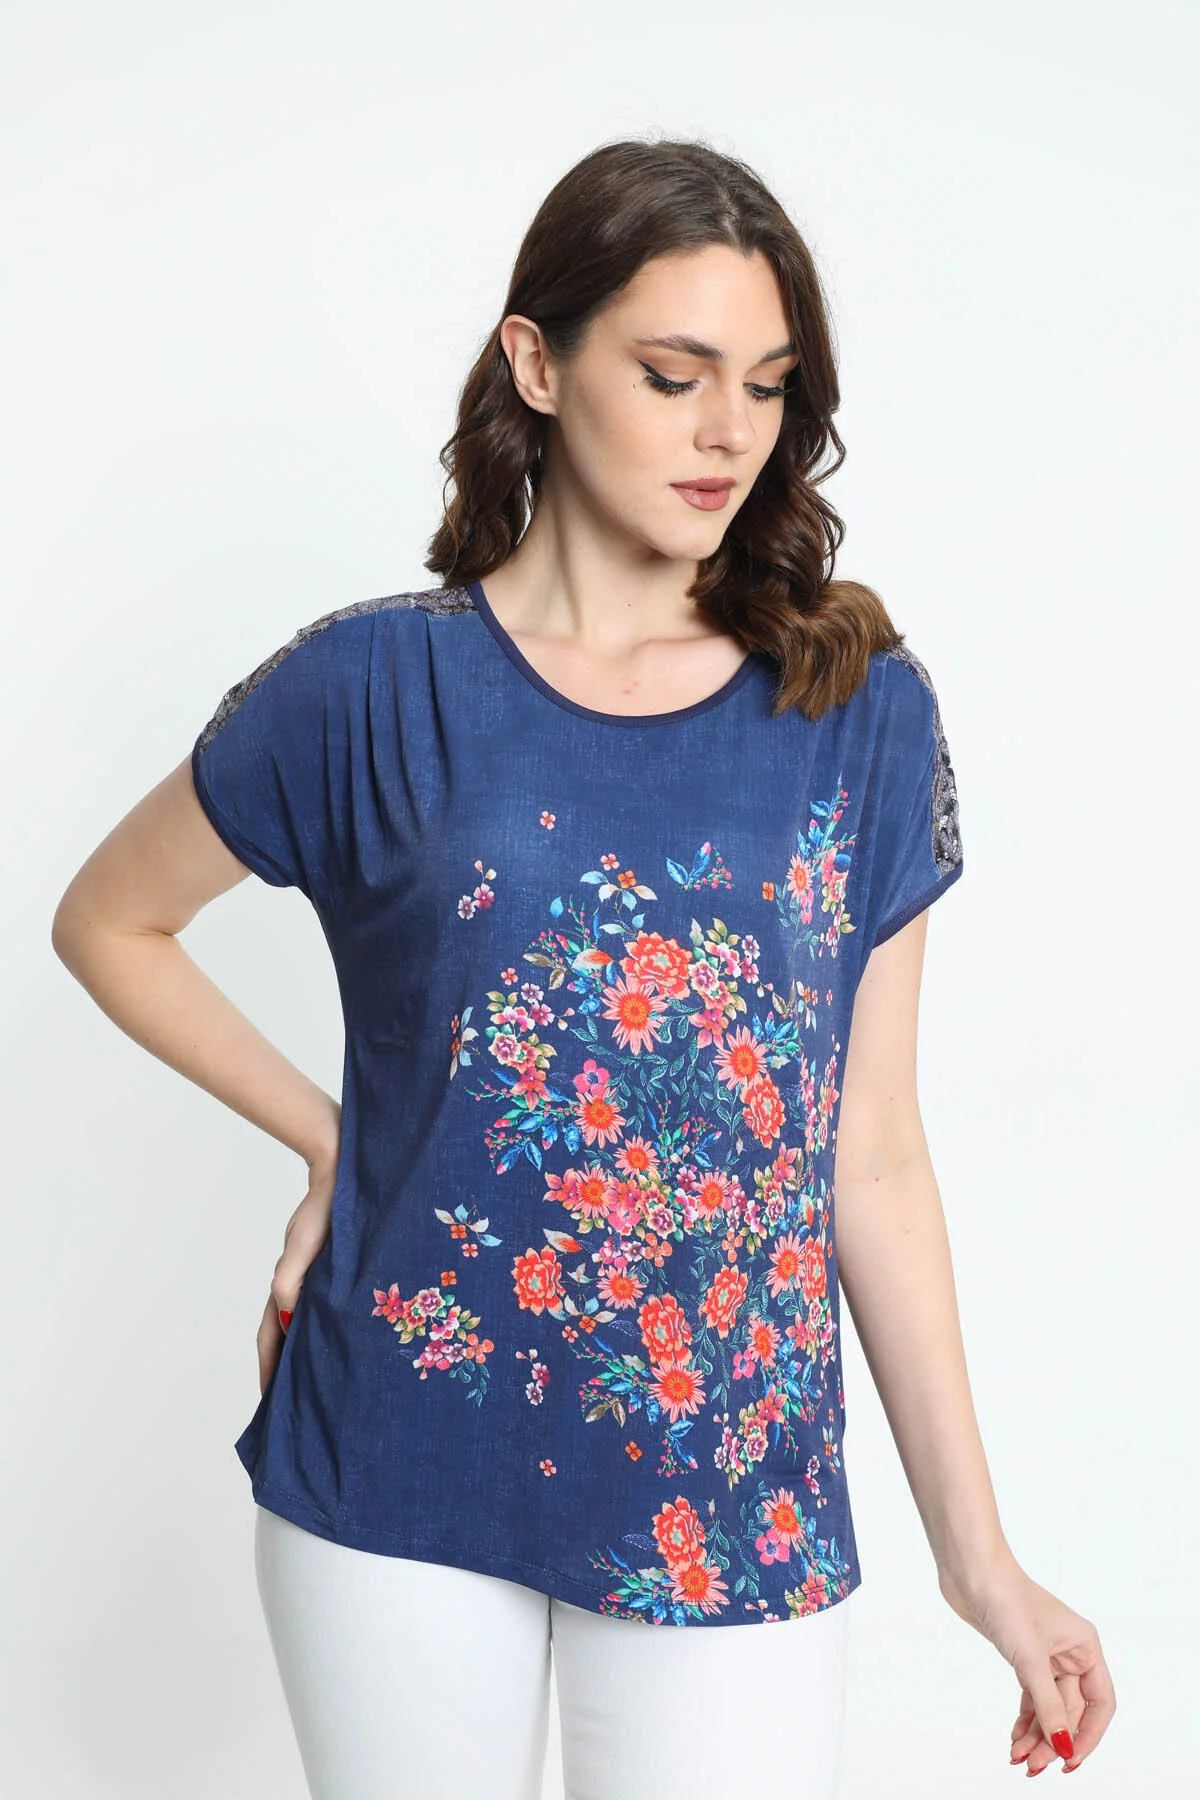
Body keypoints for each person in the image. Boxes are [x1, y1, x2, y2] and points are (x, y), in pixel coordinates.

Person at [51, 135, 1116, 1799]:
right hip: (400, 1454)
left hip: (732, 1479)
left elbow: (874, 1157)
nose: (728, 432)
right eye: (674, 375)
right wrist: (334, 1140)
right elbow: (108, 920)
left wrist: (982, 1564)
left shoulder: (856, 713)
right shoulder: (371, 689)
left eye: (766, 385)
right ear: (537, 365)